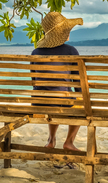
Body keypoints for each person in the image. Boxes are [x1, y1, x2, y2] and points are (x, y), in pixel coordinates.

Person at [31, 12, 83, 151]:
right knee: (79, 104)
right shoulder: (71, 51)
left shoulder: (35, 52)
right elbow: (78, 83)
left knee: (53, 96)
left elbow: (34, 81)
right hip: (61, 101)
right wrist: (82, 96)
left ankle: (51, 140)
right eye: (67, 30)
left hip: (39, 102)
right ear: (62, 34)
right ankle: (69, 142)